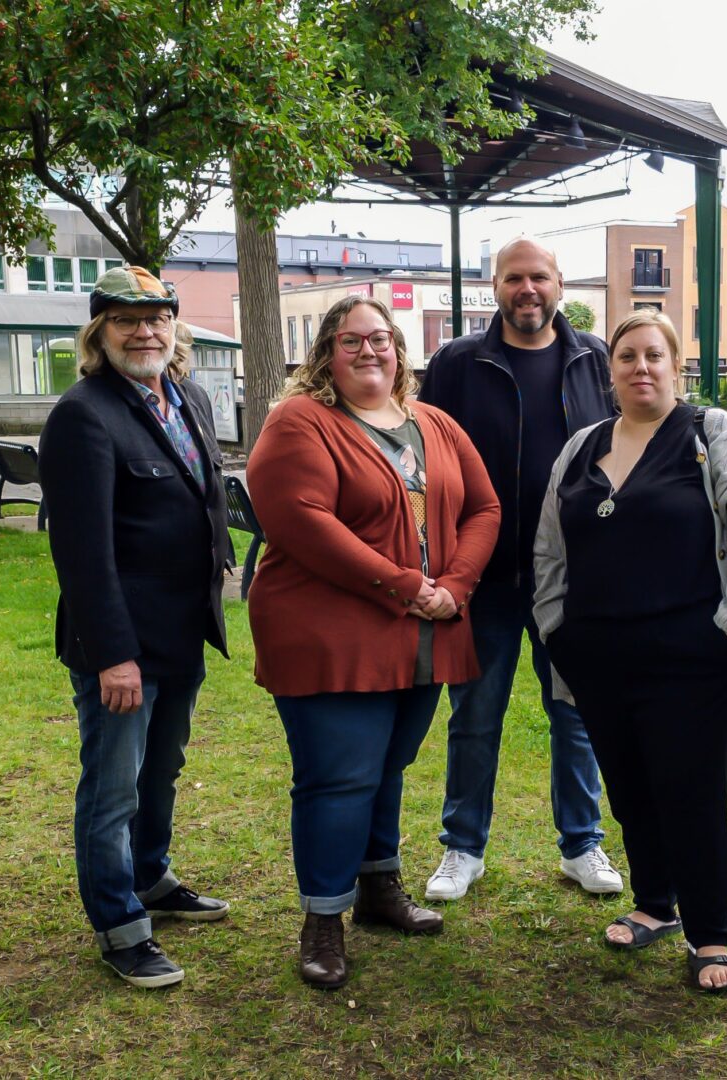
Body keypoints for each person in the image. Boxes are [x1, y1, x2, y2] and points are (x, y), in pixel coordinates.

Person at [245, 295, 500, 990]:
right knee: (339, 779)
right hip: (330, 632)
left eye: (381, 339)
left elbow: (484, 506)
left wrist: (457, 582)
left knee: (386, 770)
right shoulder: (300, 421)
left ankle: (380, 891)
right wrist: (405, 583)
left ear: (400, 350)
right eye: (352, 341)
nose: (369, 352)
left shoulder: (435, 423)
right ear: (327, 352)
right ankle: (323, 918)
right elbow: (301, 523)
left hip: (422, 631)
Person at [532, 310, 727, 993]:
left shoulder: (712, 434)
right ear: (609, 370)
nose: (640, 367)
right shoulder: (582, 447)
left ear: (676, 365)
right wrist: (557, 631)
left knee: (690, 791)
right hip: (598, 656)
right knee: (630, 786)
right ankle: (654, 905)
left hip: (692, 657)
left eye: (654, 355)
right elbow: (550, 548)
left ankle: (710, 934)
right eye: (627, 357)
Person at [38, 266, 232, 989]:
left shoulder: (188, 398)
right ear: (100, 334)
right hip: (122, 646)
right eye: (126, 320)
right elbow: (83, 555)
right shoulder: (84, 415)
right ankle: (121, 925)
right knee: (113, 786)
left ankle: (151, 877)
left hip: (182, 632)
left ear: (173, 327)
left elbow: (203, 492)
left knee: (162, 771)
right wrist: (114, 656)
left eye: (156, 318)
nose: (144, 331)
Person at [417, 237, 622, 901]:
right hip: (485, 578)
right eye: (513, 278)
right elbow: (426, 459)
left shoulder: (595, 361)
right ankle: (462, 846)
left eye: (538, 277)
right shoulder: (457, 363)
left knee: (578, 713)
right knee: (475, 714)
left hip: (575, 579)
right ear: (495, 287)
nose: (526, 289)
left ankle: (582, 844)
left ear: (560, 285)